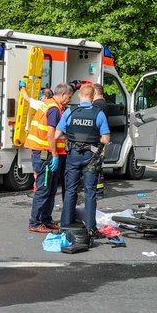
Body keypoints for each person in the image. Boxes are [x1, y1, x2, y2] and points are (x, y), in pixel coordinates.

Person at [56, 83, 111, 237]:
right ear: (93, 97)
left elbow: (57, 135)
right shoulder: (98, 113)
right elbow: (106, 139)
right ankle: (90, 228)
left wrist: (71, 138)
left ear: (79, 95)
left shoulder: (69, 111)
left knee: (70, 190)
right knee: (90, 192)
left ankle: (66, 224)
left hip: (73, 156)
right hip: (91, 158)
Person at [25, 82, 72, 234]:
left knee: (50, 190)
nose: (69, 100)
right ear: (63, 94)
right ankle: (36, 222)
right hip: (45, 154)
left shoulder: (48, 105)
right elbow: (51, 135)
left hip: (43, 153)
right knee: (44, 190)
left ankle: (46, 219)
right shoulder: (53, 109)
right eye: (69, 97)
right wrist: (56, 155)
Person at [91, 83, 110, 199]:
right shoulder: (104, 104)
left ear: (95, 92)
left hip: (97, 140)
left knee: (96, 165)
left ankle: (98, 191)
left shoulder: (98, 105)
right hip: (101, 139)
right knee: (98, 165)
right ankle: (99, 189)